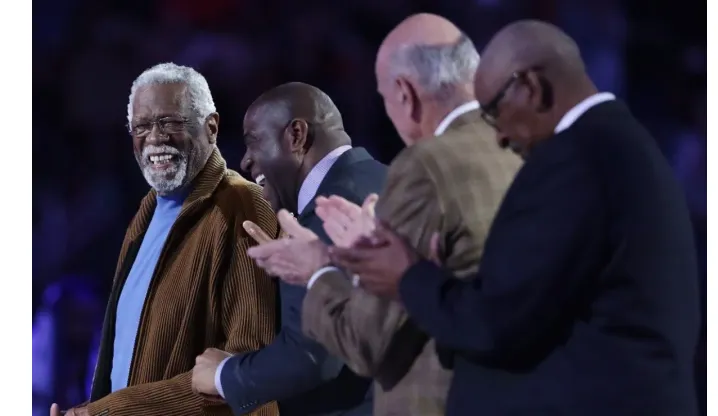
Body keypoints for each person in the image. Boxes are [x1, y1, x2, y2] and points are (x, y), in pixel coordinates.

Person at [330, 20, 701, 416]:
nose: (501, 137)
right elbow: (538, 304)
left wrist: (408, 276)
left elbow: (496, 325)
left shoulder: (574, 160)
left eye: (494, 112)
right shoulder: (619, 143)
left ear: (531, 87)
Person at [247, 14, 521, 415]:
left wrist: (317, 269)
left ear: (405, 93)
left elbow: (367, 344)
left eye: (385, 98)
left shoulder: (425, 167)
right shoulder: (520, 151)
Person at [51, 63, 279, 416]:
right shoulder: (145, 215)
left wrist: (112, 412)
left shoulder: (242, 205)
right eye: (141, 126)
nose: (154, 138)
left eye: (170, 122)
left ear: (211, 128)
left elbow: (248, 371)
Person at [190, 82, 386, 416]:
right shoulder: (382, 179)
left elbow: (313, 357)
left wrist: (224, 376)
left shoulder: (329, 210)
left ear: (296, 135)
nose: (246, 159)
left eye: (254, 141)